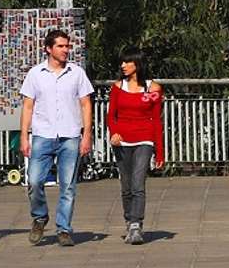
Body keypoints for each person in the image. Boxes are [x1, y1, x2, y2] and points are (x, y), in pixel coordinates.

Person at [19, 28, 93, 247]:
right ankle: (39, 217)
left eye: (67, 46)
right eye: (60, 46)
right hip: (43, 134)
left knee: (68, 185)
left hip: (70, 135)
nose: (65, 50)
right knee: (34, 181)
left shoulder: (76, 72)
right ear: (48, 49)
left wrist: (86, 134)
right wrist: (24, 136)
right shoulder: (35, 73)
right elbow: (28, 106)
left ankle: (64, 229)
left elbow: (86, 104)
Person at [105, 50, 164, 244]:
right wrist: (113, 133)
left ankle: (136, 224)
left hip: (144, 139)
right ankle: (129, 220)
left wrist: (160, 152)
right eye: (121, 62)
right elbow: (111, 115)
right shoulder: (117, 88)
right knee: (127, 185)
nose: (123, 65)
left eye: (127, 61)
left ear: (137, 64)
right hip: (122, 141)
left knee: (138, 182)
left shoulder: (153, 88)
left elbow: (156, 119)